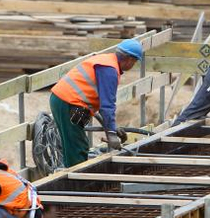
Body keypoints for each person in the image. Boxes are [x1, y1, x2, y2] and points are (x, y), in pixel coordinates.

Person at [49, 39, 143, 167]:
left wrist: (111, 127)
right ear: (130, 60)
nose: (134, 65)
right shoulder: (109, 70)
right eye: (135, 61)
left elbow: (98, 102)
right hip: (69, 102)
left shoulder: (106, 61)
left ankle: (72, 177)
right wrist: (111, 134)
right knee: (77, 148)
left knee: (73, 145)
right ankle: (77, 183)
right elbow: (107, 106)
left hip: (64, 100)